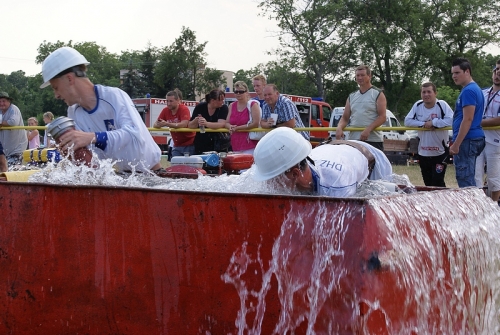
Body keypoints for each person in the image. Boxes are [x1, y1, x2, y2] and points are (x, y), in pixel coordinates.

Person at [40, 46, 161, 173]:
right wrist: (70, 151)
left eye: (56, 87)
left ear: (70, 79)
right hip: (122, 179)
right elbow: (92, 160)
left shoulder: (114, 96)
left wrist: (93, 137)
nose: (56, 95)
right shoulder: (73, 112)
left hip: (152, 175)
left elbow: (134, 135)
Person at [252, 127, 393, 197]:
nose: (267, 184)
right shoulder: (294, 169)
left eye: (272, 178)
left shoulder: (336, 185)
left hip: (368, 155)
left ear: (295, 173)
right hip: (330, 148)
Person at [404, 82, 453, 187]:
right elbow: (407, 121)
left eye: (429, 92)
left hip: (440, 152)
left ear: (435, 93)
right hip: (423, 152)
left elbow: (451, 120)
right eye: (423, 92)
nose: (426, 95)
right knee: (428, 183)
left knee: (437, 182)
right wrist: (423, 124)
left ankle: (444, 201)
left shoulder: (442, 105)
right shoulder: (418, 105)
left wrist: (434, 123)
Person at [449, 57, 485, 187]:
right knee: (468, 177)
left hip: (468, 140)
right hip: (472, 138)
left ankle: (475, 207)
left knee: (465, 181)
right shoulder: (473, 89)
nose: (454, 76)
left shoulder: (469, 91)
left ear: (467, 72)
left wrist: (456, 144)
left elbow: (468, 119)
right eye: (453, 73)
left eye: (457, 73)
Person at [335, 65, 387, 151]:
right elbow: (345, 118)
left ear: (369, 76)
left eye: (362, 75)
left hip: (373, 140)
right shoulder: (352, 96)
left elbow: (382, 117)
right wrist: (339, 128)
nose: (359, 78)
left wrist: (368, 129)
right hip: (354, 139)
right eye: (357, 75)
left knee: (374, 164)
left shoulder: (378, 93)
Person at [474, 60, 500, 201]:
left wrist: (477, 122)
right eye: (496, 70)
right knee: (475, 176)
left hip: (495, 141)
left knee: (494, 178)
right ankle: (478, 207)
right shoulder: (482, 93)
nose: (497, 74)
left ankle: (494, 210)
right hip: (477, 138)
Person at [154, 89, 195, 157]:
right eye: (167, 101)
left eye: (171, 101)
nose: (168, 103)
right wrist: (158, 124)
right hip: (176, 144)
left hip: (189, 144)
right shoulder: (165, 110)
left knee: (188, 166)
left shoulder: (184, 109)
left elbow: (184, 124)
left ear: (178, 101)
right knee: (175, 165)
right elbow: (155, 124)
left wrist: (167, 124)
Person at [188, 89, 228, 154]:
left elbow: (221, 124)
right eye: (220, 100)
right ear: (212, 100)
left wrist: (206, 123)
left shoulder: (223, 108)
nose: (222, 102)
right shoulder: (200, 107)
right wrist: (196, 120)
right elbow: (190, 126)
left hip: (218, 143)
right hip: (201, 142)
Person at [225, 81, 261, 154]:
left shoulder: (253, 105)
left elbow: (256, 123)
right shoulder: (231, 105)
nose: (238, 94)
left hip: (250, 144)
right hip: (235, 144)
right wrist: (230, 127)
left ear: (246, 92)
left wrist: (238, 128)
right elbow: (226, 122)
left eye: (241, 91)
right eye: (236, 91)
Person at [0, 91, 28, 166]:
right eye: (0, 101)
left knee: (12, 170)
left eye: (3, 101)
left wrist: (1, 123)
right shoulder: (0, 111)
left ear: (9, 101)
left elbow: (13, 122)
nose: (1, 103)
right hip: (5, 150)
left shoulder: (13, 109)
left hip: (17, 148)